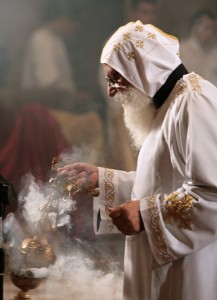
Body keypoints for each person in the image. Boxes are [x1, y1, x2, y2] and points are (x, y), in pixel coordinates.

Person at [57, 20, 217, 299]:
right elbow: (166, 182)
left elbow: (211, 193)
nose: (110, 91)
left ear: (143, 68)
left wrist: (145, 215)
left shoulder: (193, 102)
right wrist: (105, 179)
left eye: (115, 78)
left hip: (189, 271)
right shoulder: (169, 105)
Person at [98, 0, 158, 171]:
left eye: (152, 13)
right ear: (133, 13)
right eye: (145, 12)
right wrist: (123, 104)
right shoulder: (117, 43)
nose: (149, 18)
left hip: (154, 114)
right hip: (126, 113)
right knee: (127, 165)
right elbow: (106, 79)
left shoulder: (156, 45)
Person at [180, 10, 217, 86]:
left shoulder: (214, 53)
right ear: (194, 27)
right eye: (206, 28)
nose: (210, 33)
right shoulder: (181, 50)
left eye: (213, 29)